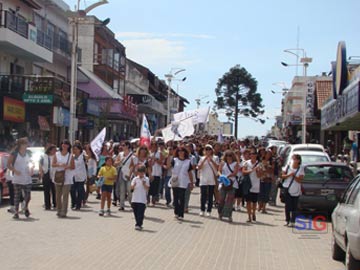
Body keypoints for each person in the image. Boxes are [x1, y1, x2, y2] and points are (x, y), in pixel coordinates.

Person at [6, 137, 33, 219]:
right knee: (17, 196)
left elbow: (31, 162)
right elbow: (8, 165)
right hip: (17, 178)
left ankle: (25, 207)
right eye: (25, 143)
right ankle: (16, 212)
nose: (26, 145)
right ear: (20, 144)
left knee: (28, 196)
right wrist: (15, 170)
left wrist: (31, 168)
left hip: (27, 177)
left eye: (27, 143)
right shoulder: (14, 153)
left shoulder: (28, 152)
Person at [52, 140, 75, 218]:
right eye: (63, 144)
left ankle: (64, 211)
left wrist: (66, 166)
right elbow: (53, 164)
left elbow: (73, 167)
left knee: (65, 195)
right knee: (58, 195)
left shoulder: (70, 155)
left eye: (66, 144)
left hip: (67, 177)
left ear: (68, 146)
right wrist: (59, 164)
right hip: (58, 176)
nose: (64, 145)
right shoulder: (57, 154)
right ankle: (59, 209)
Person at [281, 154, 304, 227]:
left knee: (294, 206)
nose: (293, 160)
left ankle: (293, 220)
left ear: (298, 160)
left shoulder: (301, 168)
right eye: (292, 159)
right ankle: (287, 220)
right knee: (288, 205)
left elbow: (300, 180)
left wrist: (294, 176)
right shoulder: (288, 167)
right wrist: (289, 174)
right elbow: (282, 176)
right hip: (287, 188)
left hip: (296, 189)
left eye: (295, 159)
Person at [171, 147, 194, 220]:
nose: (180, 153)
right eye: (179, 151)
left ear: (184, 152)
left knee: (182, 198)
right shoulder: (174, 160)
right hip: (175, 181)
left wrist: (191, 183)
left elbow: (190, 172)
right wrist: (169, 155)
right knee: (175, 198)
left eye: (182, 151)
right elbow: (168, 166)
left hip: (184, 182)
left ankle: (181, 214)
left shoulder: (188, 161)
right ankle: (176, 213)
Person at [197, 144, 219, 217]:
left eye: (209, 149)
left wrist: (211, 160)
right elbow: (199, 167)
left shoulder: (216, 158)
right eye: (206, 149)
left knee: (210, 195)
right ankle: (202, 209)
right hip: (203, 178)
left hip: (212, 179)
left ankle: (209, 210)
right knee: (203, 195)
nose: (208, 151)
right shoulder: (202, 158)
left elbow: (217, 167)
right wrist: (205, 159)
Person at [217, 150, 239, 222]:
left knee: (229, 200)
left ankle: (229, 215)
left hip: (232, 183)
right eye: (227, 155)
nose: (228, 157)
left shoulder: (235, 163)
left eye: (230, 155)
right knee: (221, 199)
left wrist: (228, 176)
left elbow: (235, 173)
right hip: (223, 183)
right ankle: (220, 213)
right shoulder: (223, 163)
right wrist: (221, 176)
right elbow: (219, 171)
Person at [242, 150, 261, 223]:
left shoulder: (259, 164)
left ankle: (254, 213)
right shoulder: (246, 163)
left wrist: (257, 171)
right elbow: (243, 172)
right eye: (251, 154)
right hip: (248, 184)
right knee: (248, 202)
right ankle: (249, 216)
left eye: (254, 154)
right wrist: (252, 170)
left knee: (254, 202)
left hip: (256, 185)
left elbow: (260, 176)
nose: (253, 155)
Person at [115, 141, 133, 210]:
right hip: (121, 173)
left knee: (129, 190)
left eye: (124, 145)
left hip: (129, 174)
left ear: (128, 146)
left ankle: (132, 204)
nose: (122, 146)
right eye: (122, 145)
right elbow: (115, 163)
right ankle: (122, 205)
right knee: (122, 190)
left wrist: (130, 174)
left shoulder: (132, 155)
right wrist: (119, 161)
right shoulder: (120, 154)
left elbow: (133, 165)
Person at [131, 165, 150, 230]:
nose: (141, 174)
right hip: (135, 199)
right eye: (140, 172)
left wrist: (144, 184)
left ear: (144, 172)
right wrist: (134, 185)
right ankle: (138, 223)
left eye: (142, 172)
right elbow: (131, 188)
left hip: (142, 199)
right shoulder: (135, 179)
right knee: (135, 212)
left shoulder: (146, 179)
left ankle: (138, 224)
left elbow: (147, 188)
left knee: (140, 213)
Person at [40, 144, 57, 210]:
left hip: (54, 174)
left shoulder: (56, 156)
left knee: (54, 190)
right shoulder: (44, 156)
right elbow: (41, 165)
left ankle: (55, 203)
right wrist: (41, 173)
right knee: (46, 190)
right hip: (46, 173)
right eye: (53, 150)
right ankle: (47, 205)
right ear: (50, 150)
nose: (55, 151)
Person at [70, 143, 87, 210]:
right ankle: (73, 203)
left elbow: (88, 157)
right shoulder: (72, 156)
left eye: (76, 149)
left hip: (81, 176)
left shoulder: (83, 155)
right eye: (73, 149)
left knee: (80, 190)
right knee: (72, 190)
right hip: (73, 175)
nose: (75, 150)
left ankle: (78, 205)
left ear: (80, 150)